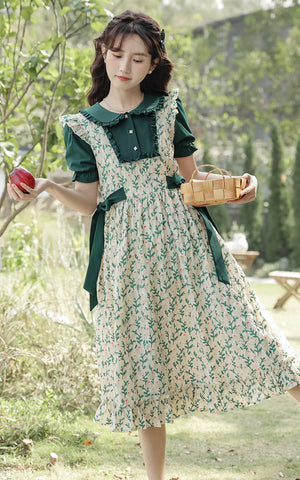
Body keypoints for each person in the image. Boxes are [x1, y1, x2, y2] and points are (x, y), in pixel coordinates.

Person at [8, 10, 300, 480]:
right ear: (104, 52)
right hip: (126, 257)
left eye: (137, 58)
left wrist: (243, 186)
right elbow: (89, 201)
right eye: (116, 53)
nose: (124, 66)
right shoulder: (82, 126)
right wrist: (46, 186)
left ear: (151, 64)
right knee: (145, 361)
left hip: (187, 245)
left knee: (253, 333)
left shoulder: (167, 109)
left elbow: (192, 180)